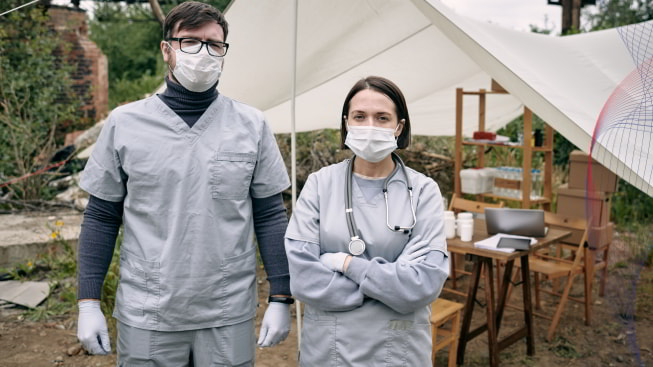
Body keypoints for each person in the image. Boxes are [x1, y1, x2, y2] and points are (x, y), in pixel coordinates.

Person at [75, 2, 293, 365]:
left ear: (224, 53)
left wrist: (281, 296)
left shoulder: (251, 125)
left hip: (227, 309)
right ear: (166, 49)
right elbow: (100, 217)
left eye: (214, 44)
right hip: (149, 311)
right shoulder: (125, 124)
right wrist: (88, 302)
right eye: (190, 41)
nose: (203, 53)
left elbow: (270, 215)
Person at [285, 76, 449, 365]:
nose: (369, 125)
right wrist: (389, 286)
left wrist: (344, 264)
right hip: (328, 348)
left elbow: (423, 284)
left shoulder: (423, 191)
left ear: (399, 127)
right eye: (360, 116)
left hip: (398, 350)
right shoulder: (319, 184)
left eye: (382, 118)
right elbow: (303, 278)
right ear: (346, 122)